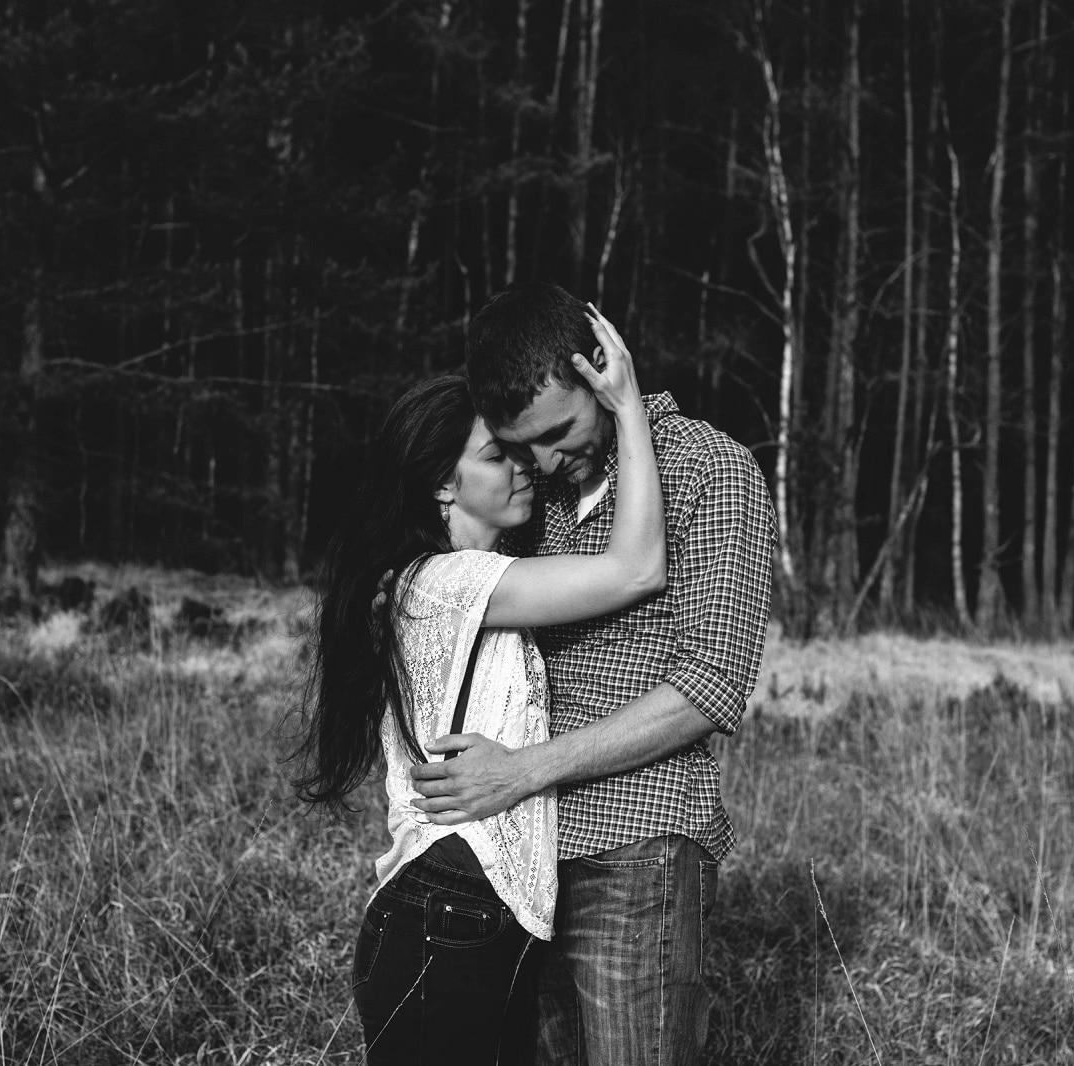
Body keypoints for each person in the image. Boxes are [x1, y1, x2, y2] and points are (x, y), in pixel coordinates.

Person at [409, 282, 777, 1065]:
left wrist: (522, 771)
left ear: (602, 373)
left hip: (636, 842)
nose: (544, 460)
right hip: (523, 859)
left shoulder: (711, 473)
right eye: (521, 446)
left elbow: (709, 688)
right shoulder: (530, 497)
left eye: (558, 431)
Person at [293, 307, 664, 1063]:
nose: (525, 465)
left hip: (469, 921)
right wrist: (627, 408)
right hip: (444, 919)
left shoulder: (435, 585)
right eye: (498, 456)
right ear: (441, 486)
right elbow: (636, 569)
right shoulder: (449, 583)